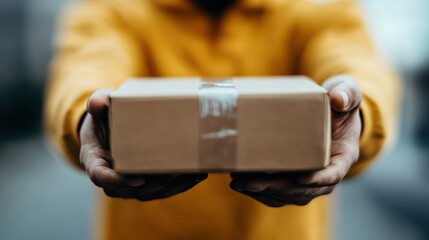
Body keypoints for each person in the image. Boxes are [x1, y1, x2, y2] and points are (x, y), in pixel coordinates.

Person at [44, 0, 399, 239]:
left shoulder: (318, 8)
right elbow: (86, 67)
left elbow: (356, 64)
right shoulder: (114, 9)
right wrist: (85, 116)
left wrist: (358, 114)